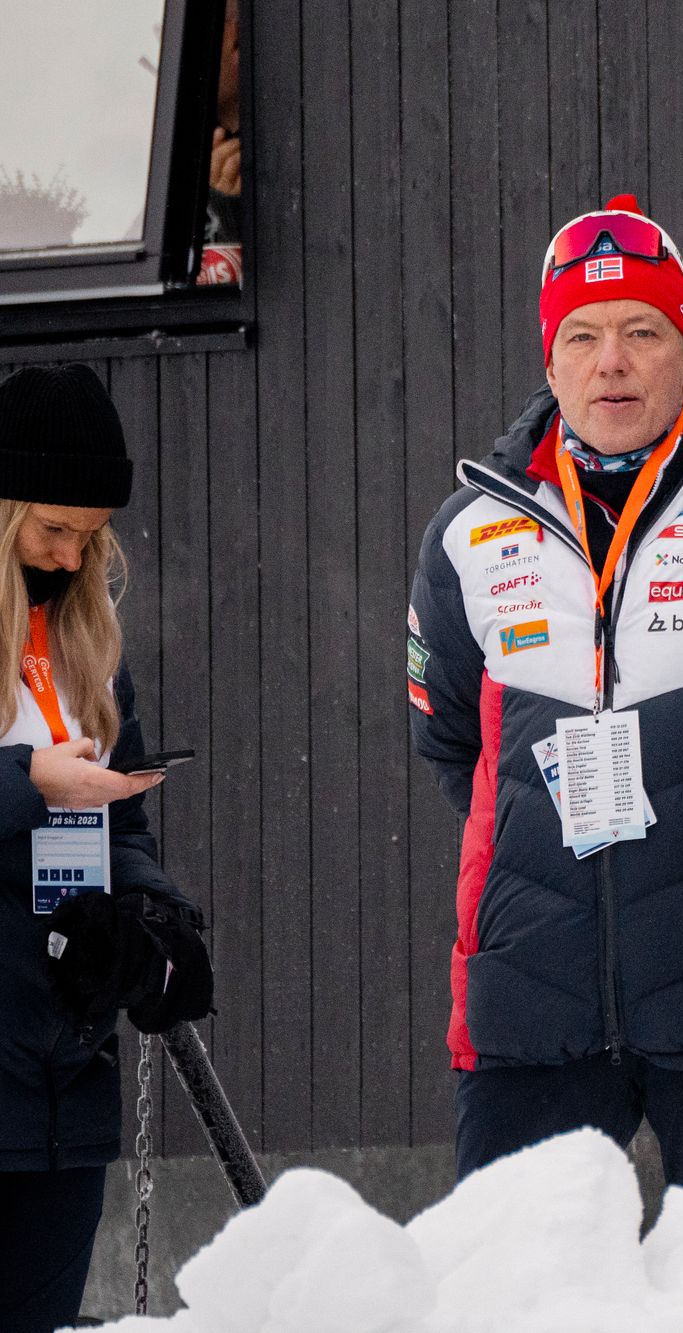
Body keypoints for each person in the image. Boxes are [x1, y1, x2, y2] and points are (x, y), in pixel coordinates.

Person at [407, 195, 683, 1230]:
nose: (612, 362)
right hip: (532, 1002)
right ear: (549, 365)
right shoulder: (470, 531)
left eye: (642, 332)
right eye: (583, 337)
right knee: (519, 1298)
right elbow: (453, 741)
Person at [0, 364, 212, 1333]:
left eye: (89, 537)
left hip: (58, 1080)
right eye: (52, 529)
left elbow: (116, 824)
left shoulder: (84, 646)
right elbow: (52, 798)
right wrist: (30, 783)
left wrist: (150, 917)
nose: (70, 553)